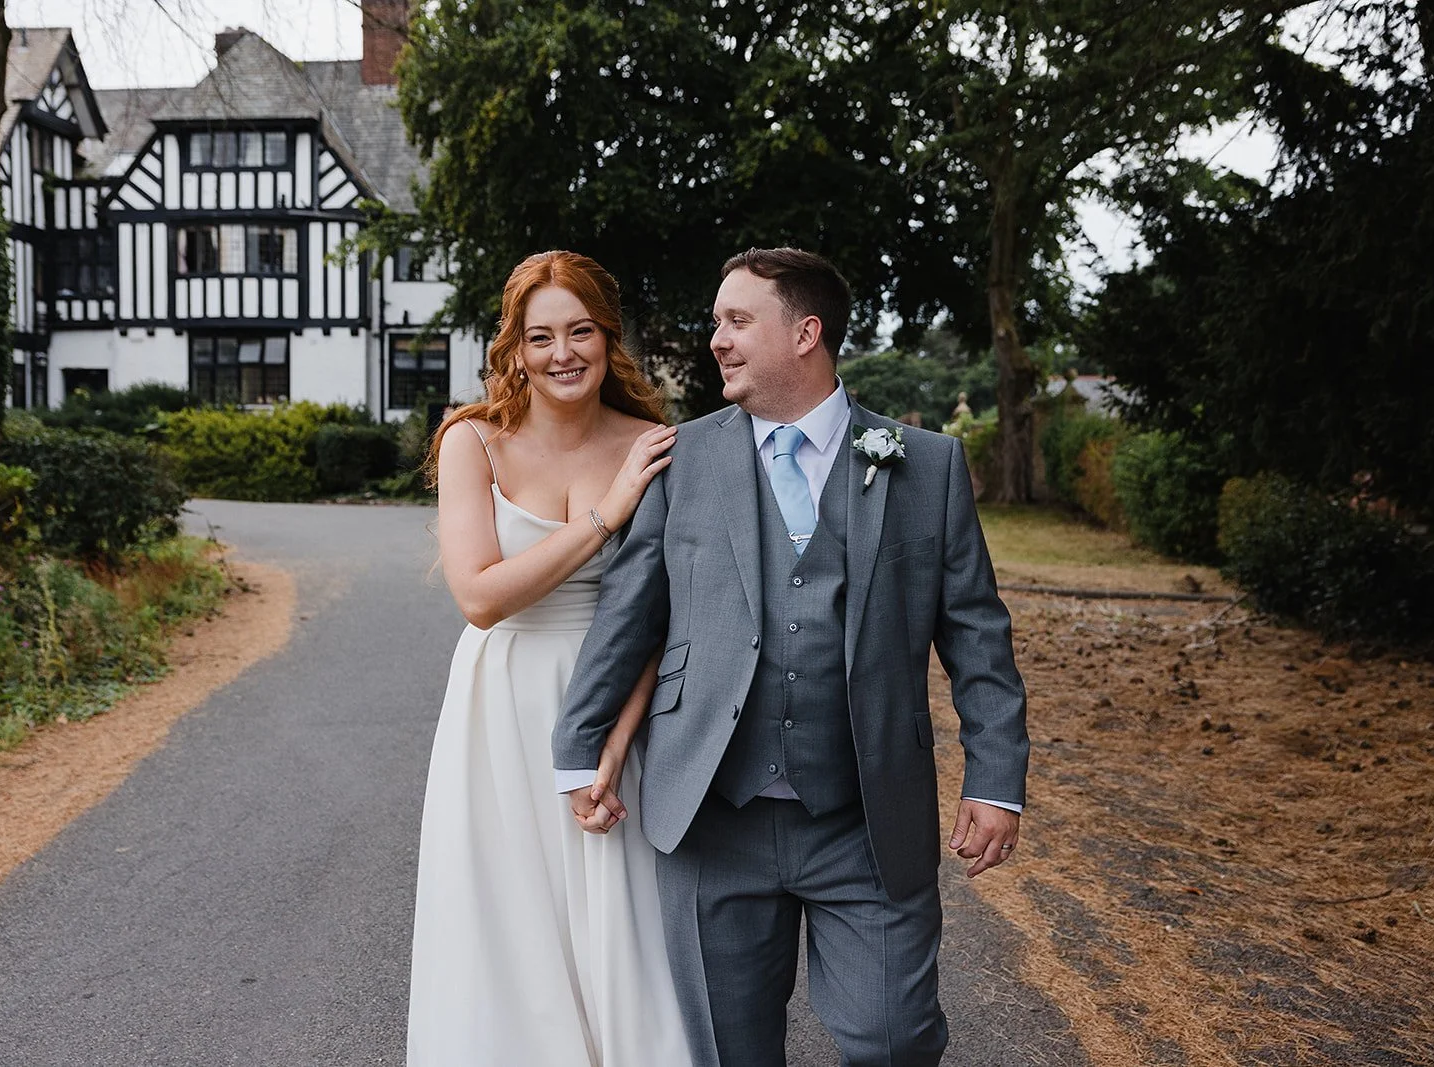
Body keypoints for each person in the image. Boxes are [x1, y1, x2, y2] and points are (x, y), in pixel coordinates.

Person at [555, 247, 1029, 1065]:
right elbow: (629, 613)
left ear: (806, 332)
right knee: (727, 1048)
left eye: (736, 320)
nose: (716, 340)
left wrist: (995, 779)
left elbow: (978, 637)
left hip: (866, 817)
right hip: (714, 815)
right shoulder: (681, 458)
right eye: (716, 323)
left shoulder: (927, 466)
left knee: (894, 1038)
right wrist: (578, 750)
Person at [406, 251, 692, 1066]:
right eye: (541, 336)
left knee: (620, 915)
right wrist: (606, 515)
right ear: (515, 348)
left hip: (613, 698)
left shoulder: (652, 445)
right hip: (500, 703)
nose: (562, 352)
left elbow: (660, 612)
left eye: (581, 331)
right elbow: (482, 596)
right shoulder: (475, 443)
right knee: (505, 917)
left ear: (608, 338)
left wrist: (614, 739)